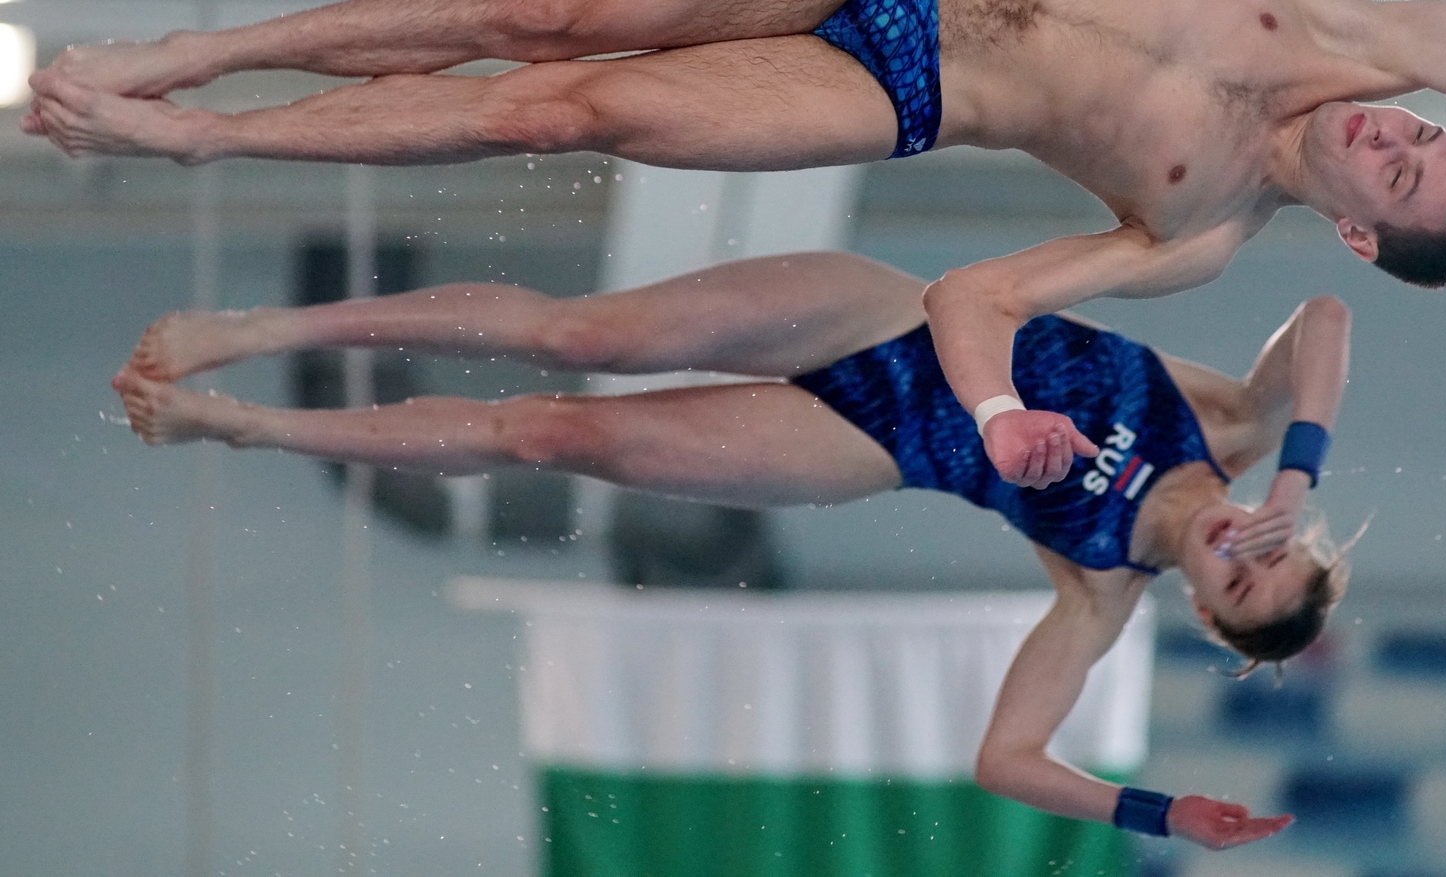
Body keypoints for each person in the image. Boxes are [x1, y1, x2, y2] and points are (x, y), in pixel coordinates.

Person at [32, 0, 1446, 480]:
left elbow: (975, 294)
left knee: (561, 110)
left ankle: (196, 136)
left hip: (899, 90)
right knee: (553, 10)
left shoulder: (1203, 229)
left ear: (1362, 231)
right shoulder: (1365, 32)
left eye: (1406, 173)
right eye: (1423, 130)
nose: (1395, 135)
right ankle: (191, 54)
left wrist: (998, 402)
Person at [112, 250, 1358, 851]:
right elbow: (1323, 313)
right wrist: (1297, 461)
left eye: (1238, 579)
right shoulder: (1240, 425)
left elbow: (1006, 759)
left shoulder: (1097, 587)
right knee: (575, 333)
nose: (1240, 544)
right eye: (1273, 541)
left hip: (860, 437)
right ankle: (264, 326)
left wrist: (1155, 810)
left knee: (546, 434)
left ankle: (243, 421)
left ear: (1203, 605)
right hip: (885, 315)